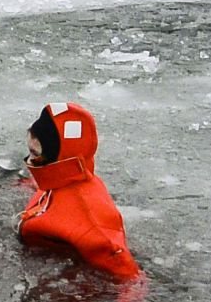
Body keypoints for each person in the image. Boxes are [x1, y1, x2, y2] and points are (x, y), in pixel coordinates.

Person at [18, 102, 139, 280]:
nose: (29, 161)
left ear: (59, 160)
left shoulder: (88, 215)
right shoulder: (61, 181)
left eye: (35, 155)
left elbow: (127, 272)